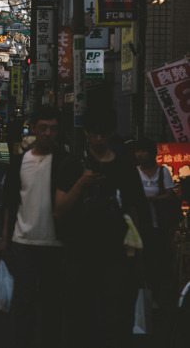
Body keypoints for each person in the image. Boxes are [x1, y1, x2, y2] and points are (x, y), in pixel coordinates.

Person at [55, 108, 150, 348]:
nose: (99, 139)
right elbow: (59, 208)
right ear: (86, 132)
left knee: (115, 318)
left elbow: (133, 210)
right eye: (95, 133)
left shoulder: (125, 167)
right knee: (79, 318)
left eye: (104, 134)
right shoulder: (72, 165)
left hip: (116, 254)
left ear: (111, 133)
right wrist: (80, 183)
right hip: (79, 252)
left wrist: (139, 253)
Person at [0, 104, 68, 348]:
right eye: (43, 128)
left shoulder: (64, 162)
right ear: (34, 129)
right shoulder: (20, 162)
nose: (48, 133)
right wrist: (5, 237)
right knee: (24, 302)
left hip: (55, 242)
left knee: (53, 304)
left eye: (53, 129)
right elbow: (10, 201)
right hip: (23, 242)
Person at [135, 139, 178, 307]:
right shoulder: (135, 172)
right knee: (142, 259)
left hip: (159, 223)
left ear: (152, 153)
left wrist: (153, 199)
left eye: (143, 151)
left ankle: (155, 296)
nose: (139, 154)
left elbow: (170, 194)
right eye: (137, 151)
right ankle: (143, 296)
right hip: (141, 223)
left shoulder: (163, 172)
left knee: (156, 259)